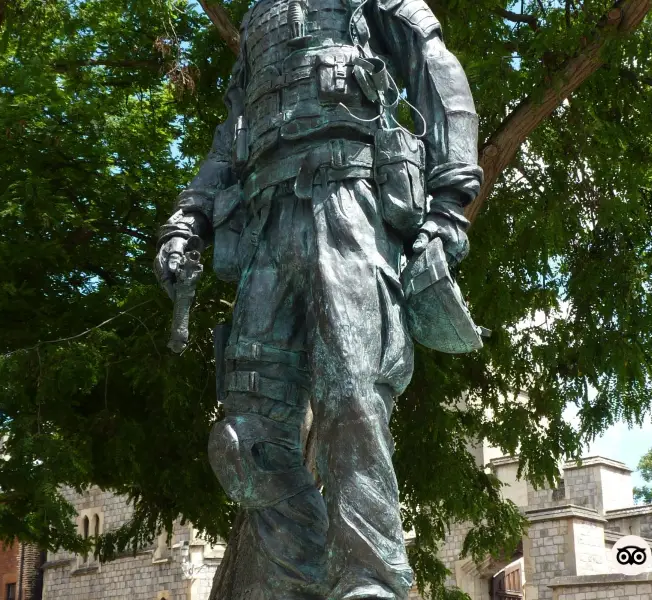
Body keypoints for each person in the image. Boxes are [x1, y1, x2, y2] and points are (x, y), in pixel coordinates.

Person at [154, 0, 481, 598]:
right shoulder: (259, 20)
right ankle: (299, 578)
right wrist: (188, 216)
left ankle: (369, 584)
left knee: (352, 395)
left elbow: (437, 70)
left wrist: (449, 202)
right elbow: (232, 137)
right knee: (245, 438)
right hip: (264, 226)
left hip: (348, 201)